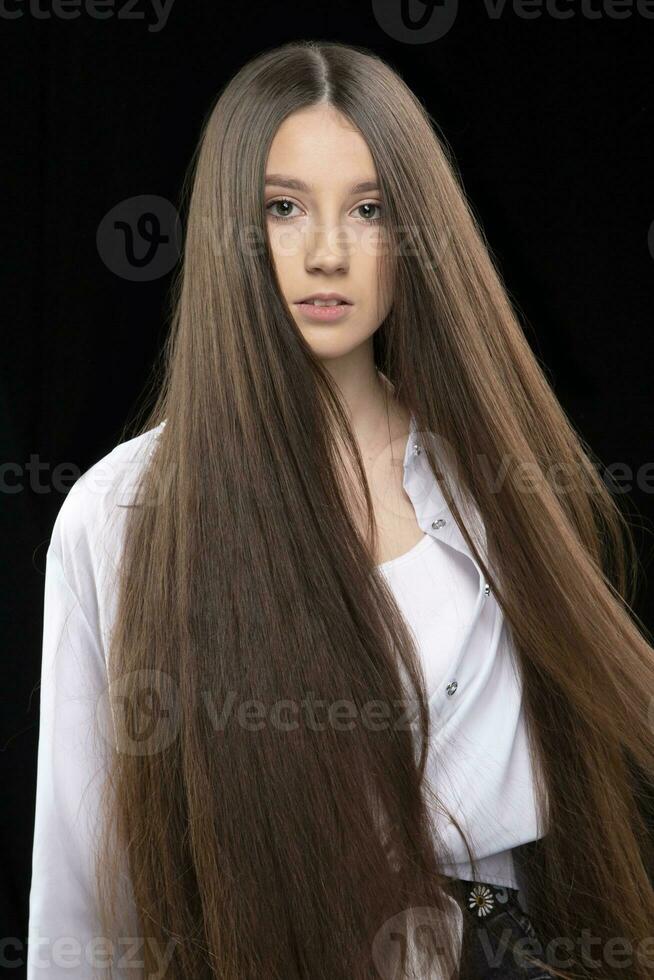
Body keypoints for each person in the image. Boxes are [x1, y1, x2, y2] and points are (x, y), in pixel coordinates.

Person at [27, 39, 654, 980]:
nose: (327, 251)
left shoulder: (496, 491)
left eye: (369, 210)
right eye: (283, 209)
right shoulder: (123, 518)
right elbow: (82, 887)